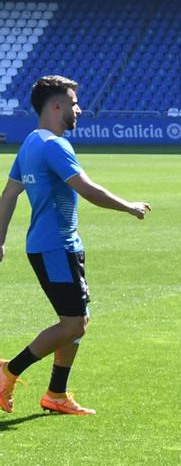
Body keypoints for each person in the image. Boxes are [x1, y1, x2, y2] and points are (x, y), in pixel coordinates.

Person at [0, 75, 149, 417]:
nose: (78, 110)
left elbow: (8, 196)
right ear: (56, 106)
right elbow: (86, 188)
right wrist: (129, 206)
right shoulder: (53, 145)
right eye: (73, 103)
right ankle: (9, 370)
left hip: (57, 246)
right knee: (73, 324)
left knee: (79, 318)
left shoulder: (30, 144)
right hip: (55, 247)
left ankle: (56, 393)